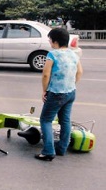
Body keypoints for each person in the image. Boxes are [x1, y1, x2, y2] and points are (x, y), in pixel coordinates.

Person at [35, 28, 83, 161]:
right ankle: (62, 148)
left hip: (56, 93)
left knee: (45, 120)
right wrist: (72, 84)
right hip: (70, 92)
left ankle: (48, 151)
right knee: (65, 120)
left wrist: (44, 90)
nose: (49, 42)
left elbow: (45, 74)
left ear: (55, 41)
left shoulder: (52, 55)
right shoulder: (73, 54)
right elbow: (79, 72)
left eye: (50, 40)